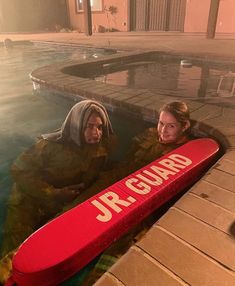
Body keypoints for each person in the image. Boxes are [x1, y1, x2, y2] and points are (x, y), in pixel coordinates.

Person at [0, 99, 115, 285]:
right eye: (89, 126)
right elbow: (18, 171)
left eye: (100, 127)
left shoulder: (100, 145)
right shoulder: (49, 147)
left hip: (63, 199)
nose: (96, 133)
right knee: (14, 259)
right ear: (77, 125)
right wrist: (52, 193)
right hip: (29, 199)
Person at [80, 101, 193, 285]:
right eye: (161, 123)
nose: (163, 131)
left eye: (171, 126)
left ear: (185, 126)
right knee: (80, 203)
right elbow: (127, 159)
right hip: (120, 182)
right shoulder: (150, 134)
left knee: (123, 242)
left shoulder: (185, 153)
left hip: (142, 199)